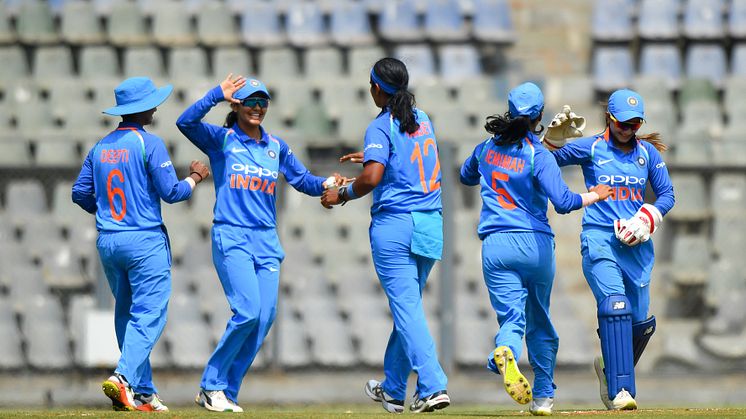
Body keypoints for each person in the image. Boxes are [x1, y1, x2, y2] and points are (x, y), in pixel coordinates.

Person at [176, 74, 343, 413]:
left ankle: (227, 391)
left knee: (264, 317)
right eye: (250, 101)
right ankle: (211, 385)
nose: (257, 107)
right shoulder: (222, 140)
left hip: (266, 240)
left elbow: (303, 180)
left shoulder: (276, 146)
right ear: (236, 105)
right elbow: (185, 122)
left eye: (262, 101)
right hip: (232, 235)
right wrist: (216, 95)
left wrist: (328, 181)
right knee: (248, 311)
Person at [459, 82, 613, 416]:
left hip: (496, 246)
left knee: (511, 319)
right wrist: (596, 195)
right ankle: (543, 397)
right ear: (539, 116)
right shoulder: (538, 154)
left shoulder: (486, 148)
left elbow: (466, 175)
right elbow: (564, 202)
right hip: (535, 246)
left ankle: (505, 351)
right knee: (539, 320)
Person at [72, 77, 210, 412]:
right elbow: (172, 193)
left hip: (109, 241)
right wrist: (195, 178)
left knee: (126, 314)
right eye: (152, 103)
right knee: (150, 313)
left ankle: (143, 392)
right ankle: (123, 379)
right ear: (143, 108)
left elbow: (79, 193)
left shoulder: (100, 147)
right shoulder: (149, 143)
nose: (156, 107)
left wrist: (103, 209)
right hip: (144, 240)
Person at [321, 57, 450, 414]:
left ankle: (433, 384)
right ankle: (393, 389)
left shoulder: (380, 126)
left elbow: (373, 178)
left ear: (377, 88)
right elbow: (407, 159)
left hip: (395, 225)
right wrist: (377, 156)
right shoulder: (422, 120)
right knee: (408, 308)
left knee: (406, 308)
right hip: (429, 223)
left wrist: (342, 194)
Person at [551, 89, 675, 410]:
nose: (628, 129)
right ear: (609, 117)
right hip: (600, 238)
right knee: (615, 307)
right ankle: (621, 391)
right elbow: (541, 163)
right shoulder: (591, 147)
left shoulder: (648, 154)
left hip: (636, 246)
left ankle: (609, 370)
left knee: (640, 324)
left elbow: (667, 194)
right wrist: (551, 141)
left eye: (635, 124)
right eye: (623, 123)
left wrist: (649, 216)